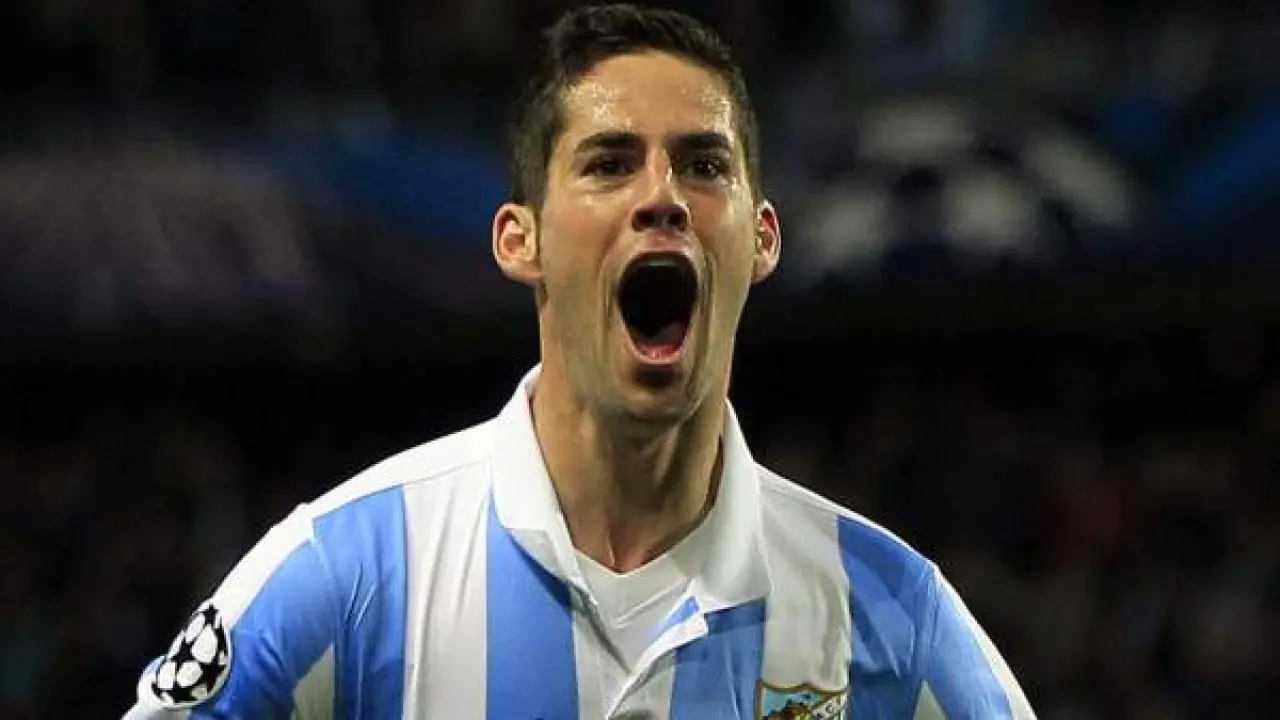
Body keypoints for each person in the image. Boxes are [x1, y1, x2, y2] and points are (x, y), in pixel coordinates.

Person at [124, 4, 1035, 718]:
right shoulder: (353, 572)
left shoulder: (888, 613)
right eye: (609, 163)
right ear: (519, 239)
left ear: (762, 239)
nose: (662, 196)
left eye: (703, 165)